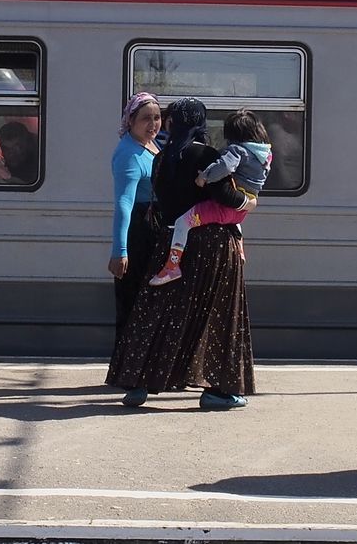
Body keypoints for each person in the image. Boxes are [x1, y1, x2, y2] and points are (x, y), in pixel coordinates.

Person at [106, 97, 257, 410]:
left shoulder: (161, 158)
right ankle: (218, 390)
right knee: (216, 316)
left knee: (159, 313)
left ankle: (137, 382)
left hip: (172, 241)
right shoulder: (206, 155)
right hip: (212, 244)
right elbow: (226, 196)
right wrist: (248, 203)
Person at [150, 108, 271, 286]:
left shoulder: (161, 158)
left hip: (194, 235)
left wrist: (204, 176)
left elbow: (224, 184)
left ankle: (172, 266)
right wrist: (248, 203)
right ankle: (240, 249)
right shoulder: (264, 155)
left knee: (183, 222)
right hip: (229, 227)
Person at [108, 92, 161, 348]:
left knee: (149, 303)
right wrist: (120, 251)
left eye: (157, 118)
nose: (153, 124)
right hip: (138, 232)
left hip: (153, 230)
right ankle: (125, 367)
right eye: (146, 119)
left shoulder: (151, 146)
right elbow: (124, 203)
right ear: (130, 121)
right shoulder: (129, 154)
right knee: (132, 302)